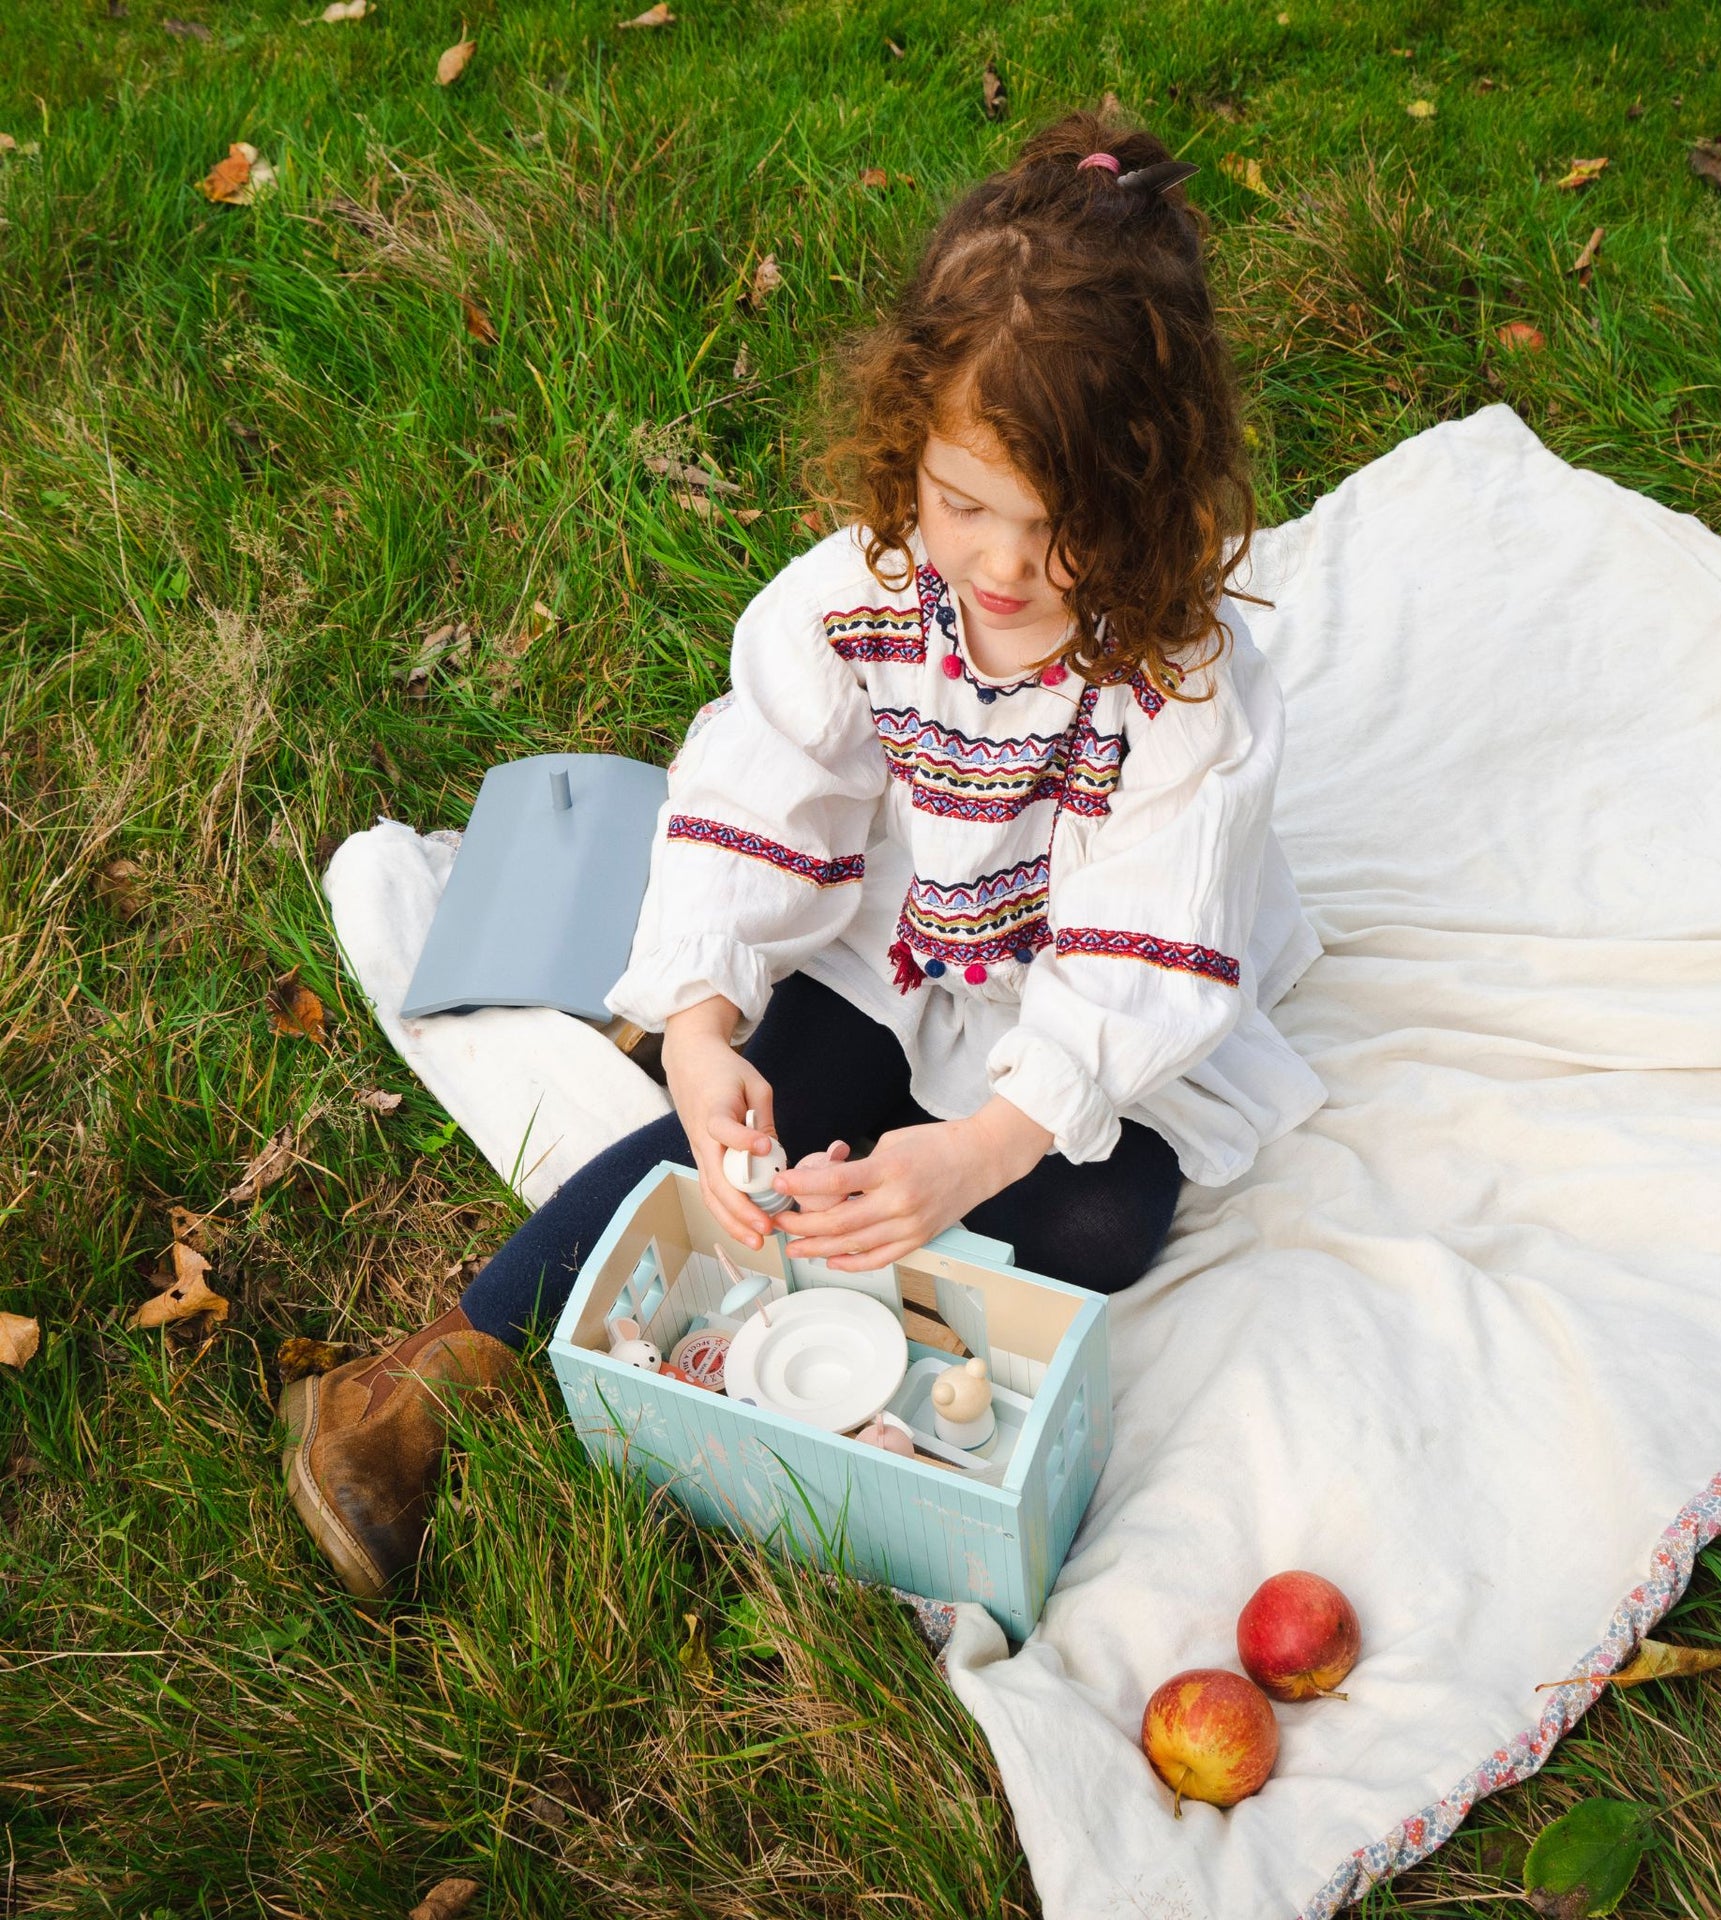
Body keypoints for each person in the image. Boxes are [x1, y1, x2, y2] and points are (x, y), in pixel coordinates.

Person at [281, 109, 1328, 1598]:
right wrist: (698, 1024)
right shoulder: (855, 600)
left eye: (1062, 527)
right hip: (910, 938)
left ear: (1153, 500)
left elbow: (1143, 942)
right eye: (965, 506)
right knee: (774, 1118)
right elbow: (762, 795)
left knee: (1098, 1218)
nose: (1006, 568)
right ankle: (426, 1379)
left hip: (1085, 984)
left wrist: (974, 1150)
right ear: (910, 448)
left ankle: (852, 1336)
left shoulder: (1181, 682)